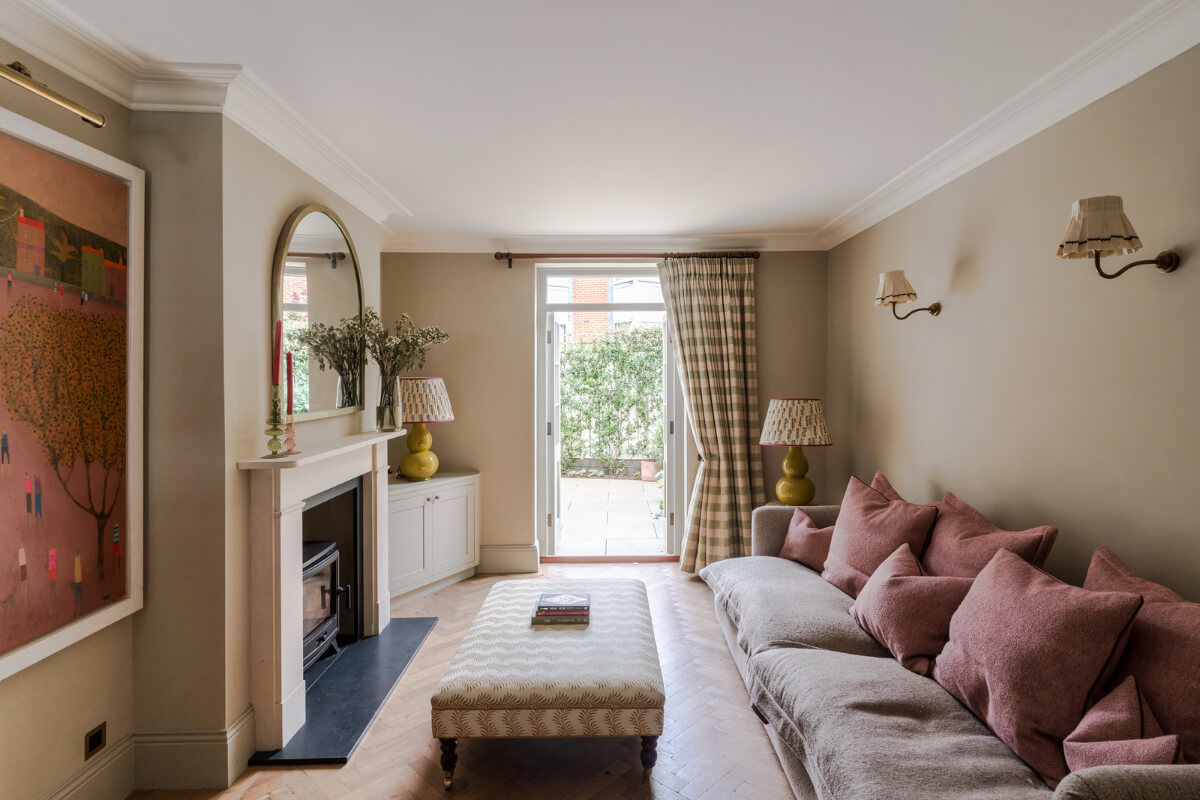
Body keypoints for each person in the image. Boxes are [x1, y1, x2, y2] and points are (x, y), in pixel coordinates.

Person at [72, 550, 82, 617]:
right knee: (78, 596)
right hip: (78, 581)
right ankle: (76, 611)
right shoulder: (77, 560)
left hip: (78, 581)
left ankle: (77, 611)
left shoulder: (77, 560)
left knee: (78, 597)